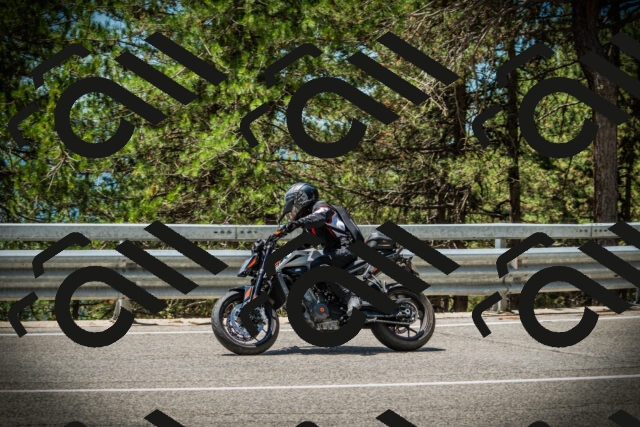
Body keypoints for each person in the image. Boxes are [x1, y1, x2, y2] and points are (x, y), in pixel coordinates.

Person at [277, 182, 363, 315]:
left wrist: (296, 223)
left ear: (301, 199)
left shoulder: (320, 207)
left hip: (347, 247)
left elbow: (320, 217)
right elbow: (304, 243)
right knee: (308, 270)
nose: (292, 211)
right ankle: (332, 307)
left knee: (318, 266)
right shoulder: (311, 225)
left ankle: (351, 296)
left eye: (293, 206)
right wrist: (280, 253)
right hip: (335, 251)